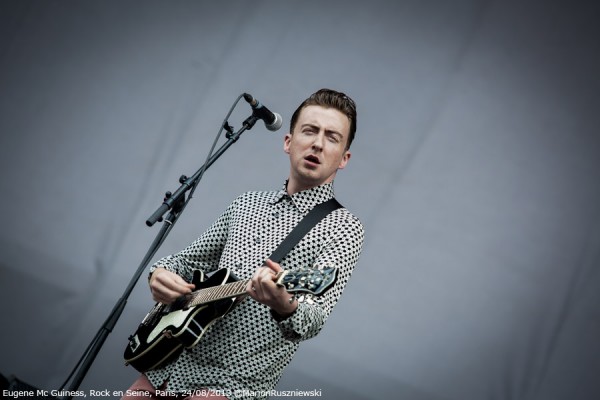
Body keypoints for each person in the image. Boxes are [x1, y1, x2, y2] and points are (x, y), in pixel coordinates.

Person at [123, 89, 364, 400]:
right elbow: (185, 261)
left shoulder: (344, 228)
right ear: (288, 142)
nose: (318, 142)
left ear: (344, 158)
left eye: (332, 137)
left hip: (231, 385)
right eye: (310, 131)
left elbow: (313, 320)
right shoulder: (246, 205)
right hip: (170, 363)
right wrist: (158, 274)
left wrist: (284, 303)